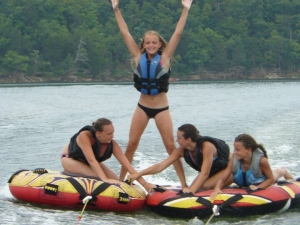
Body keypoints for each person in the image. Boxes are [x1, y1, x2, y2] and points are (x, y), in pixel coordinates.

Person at [111, 0, 193, 188]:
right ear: (143, 44)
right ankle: (121, 182)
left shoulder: (165, 58)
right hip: (142, 107)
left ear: (159, 44)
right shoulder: (138, 57)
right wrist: (116, 9)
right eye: (147, 43)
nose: (151, 45)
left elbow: (177, 33)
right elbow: (125, 33)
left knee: (171, 148)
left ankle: (184, 185)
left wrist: (185, 10)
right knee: (131, 146)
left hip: (161, 109)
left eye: (154, 42)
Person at [127, 124, 230, 194]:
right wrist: (138, 174)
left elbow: (205, 173)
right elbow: (161, 166)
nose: (177, 141)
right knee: (197, 186)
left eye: (179, 138)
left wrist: (191, 192)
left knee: (205, 186)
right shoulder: (181, 151)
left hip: (227, 169)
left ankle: (233, 177)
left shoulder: (206, 146)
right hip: (213, 171)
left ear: (188, 140)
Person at [60, 118, 156, 191]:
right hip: (70, 159)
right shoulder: (84, 136)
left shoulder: (112, 144)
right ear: (98, 133)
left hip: (87, 162)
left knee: (114, 179)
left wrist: (144, 184)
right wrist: (105, 179)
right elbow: (91, 160)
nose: (112, 136)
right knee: (98, 177)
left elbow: (127, 165)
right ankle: (69, 170)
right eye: (109, 134)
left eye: (113, 133)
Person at [210, 134, 294, 199]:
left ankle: (284, 170)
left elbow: (270, 179)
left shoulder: (262, 161)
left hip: (261, 180)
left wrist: (258, 187)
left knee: (276, 174)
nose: (234, 152)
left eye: (238, 150)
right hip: (245, 182)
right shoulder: (233, 160)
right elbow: (222, 179)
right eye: (234, 149)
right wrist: (217, 188)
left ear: (248, 150)